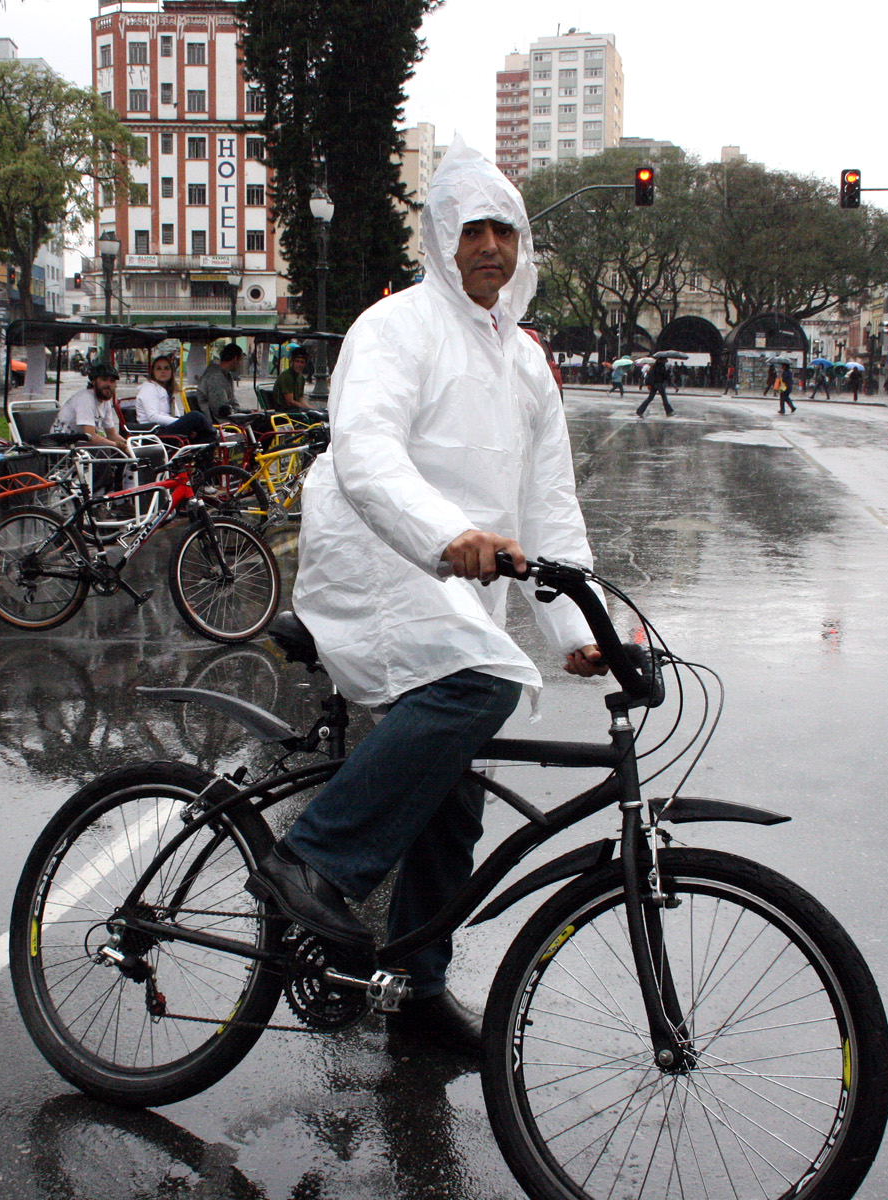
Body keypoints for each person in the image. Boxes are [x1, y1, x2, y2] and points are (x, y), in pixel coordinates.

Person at [245, 138, 607, 1056]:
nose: (490, 246)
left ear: (522, 247)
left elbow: (548, 505)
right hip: (377, 564)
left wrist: (585, 626)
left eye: (506, 230)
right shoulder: (396, 328)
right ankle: (313, 862)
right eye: (472, 229)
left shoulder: (527, 362)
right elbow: (363, 453)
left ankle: (415, 986)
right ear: (443, 238)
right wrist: (444, 538)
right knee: (483, 683)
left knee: (456, 795)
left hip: (456, 589)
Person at [133, 356, 217, 443]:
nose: (163, 371)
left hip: (166, 428)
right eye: (158, 369)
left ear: (171, 372)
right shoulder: (149, 388)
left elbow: (175, 415)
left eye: (166, 368)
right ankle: (216, 434)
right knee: (195, 416)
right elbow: (153, 417)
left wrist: (183, 424)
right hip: (153, 433)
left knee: (197, 430)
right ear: (153, 372)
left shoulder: (167, 391)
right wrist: (181, 422)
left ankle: (209, 445)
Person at [50, 362, 130, 451]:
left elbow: (112, 434)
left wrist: (129, 445)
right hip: (62, 446)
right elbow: (90, 436)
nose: (108, 384)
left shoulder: (105, 401)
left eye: (112, 381)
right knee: (106, 450)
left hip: (80, 444)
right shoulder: (85, 398)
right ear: (93, 381)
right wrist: (117, 445)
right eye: (104, 379)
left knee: (122, 450)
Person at [273, 345, 312, 411]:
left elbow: (301, 400)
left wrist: (313, 409)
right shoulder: (286, 376)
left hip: (295, 409)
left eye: (302, 362)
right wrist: (305, 408)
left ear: (305, 364)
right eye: (297, 361)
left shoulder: (301, 378)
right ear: (292, 362)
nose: (299, 364)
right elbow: (290, 401)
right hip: (284, 411)